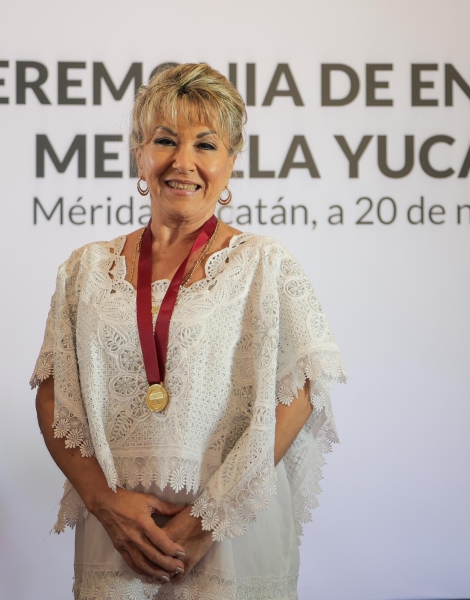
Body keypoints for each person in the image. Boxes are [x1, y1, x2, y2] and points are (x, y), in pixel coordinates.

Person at [30, 63, 347, 600]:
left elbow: (299, 392)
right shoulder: (85, 270)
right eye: (164, 141)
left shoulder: (265, 265)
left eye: (205, 144)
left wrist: (205, 522)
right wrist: (106, 504)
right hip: (118, 539)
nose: (183, 162)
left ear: (230, 162)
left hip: (230, 534)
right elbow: (53, 393)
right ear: (139, 154)